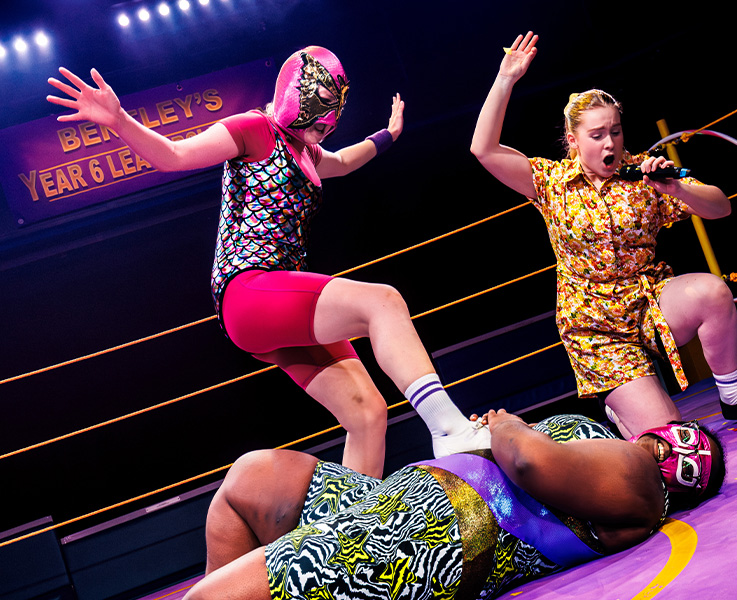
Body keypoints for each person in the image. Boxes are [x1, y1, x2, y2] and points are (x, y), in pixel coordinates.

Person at [46, 47, 488, 478]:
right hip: (250, 291)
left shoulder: (309, 153)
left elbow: (345, 162)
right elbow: (174, 156)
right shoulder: (253, 129)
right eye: (320, 120)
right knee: (384, 303)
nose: (324, 132)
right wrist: (118, 119)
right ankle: (449, 429)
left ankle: (354, 536)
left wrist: (387, 136)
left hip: (276, 308)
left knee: (368, 413)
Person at [469, 32, 737, 439]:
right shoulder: (549, 181)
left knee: (712, 292)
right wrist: (505, 80)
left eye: (616, 132)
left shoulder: (644, 174)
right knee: (672, 439)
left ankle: (733, 397)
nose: (611, 143)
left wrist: (676, 188)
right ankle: (624, 410)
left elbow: (720, 206)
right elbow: (483, 149)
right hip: (596, 332)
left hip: (649, 304)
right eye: (597, 135)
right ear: (572, 140)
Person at [183, 411, 725, 600]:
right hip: (408, 497)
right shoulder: (613, 458)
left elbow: (531, 463)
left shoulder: (643, 480)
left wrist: (508, 427)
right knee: (253, 478)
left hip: (436, 534)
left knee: (212, 598)